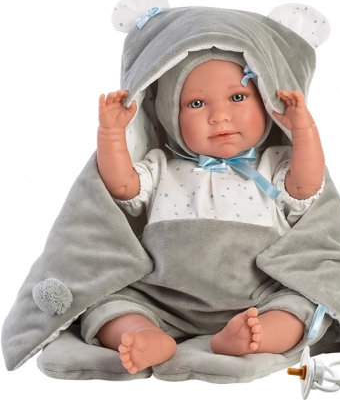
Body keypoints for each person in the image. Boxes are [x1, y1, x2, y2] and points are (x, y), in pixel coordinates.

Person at [94, 54, 325, 375]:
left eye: (238, 97)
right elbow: (121, 186)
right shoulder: (161, 167)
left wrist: (303, 130)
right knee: (107, 307)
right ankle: (146, 334)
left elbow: (305, 186)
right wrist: (111, 134)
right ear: (170, 114)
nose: (219, 116)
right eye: (196, 104)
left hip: (256, 300)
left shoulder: (273, 164)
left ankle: (254, 336)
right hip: (163, 300)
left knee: (300, 308)